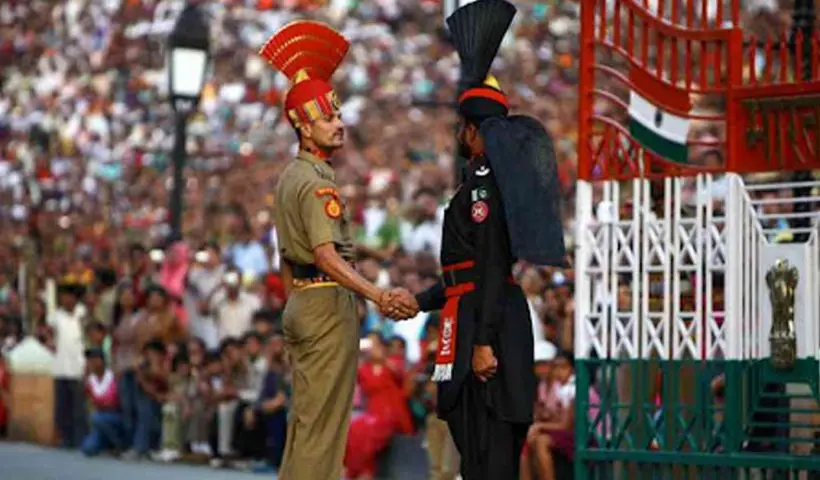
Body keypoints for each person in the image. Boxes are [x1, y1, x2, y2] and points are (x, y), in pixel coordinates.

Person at [395, 1, 567, 478]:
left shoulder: (484, 190)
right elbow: (463, 273)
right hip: (475, 312)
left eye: (461, 128)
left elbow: (490, 264)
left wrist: (483, 342)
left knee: (488, 459)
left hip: (486, 326)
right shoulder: (484, 185)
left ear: (473, 132)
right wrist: (419, 301)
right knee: (480, 459)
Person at [258, 21, 415, 480]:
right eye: (327, 118)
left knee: (307, 421)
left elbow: (287, 257)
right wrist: (378, 295)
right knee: (323, 428)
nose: (339, 124)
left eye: (338, 114)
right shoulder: (316, 185)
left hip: (304, 301)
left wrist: (298, 303)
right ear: (303, 128)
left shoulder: (290, 176)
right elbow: (326, 256)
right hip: (326, 303)